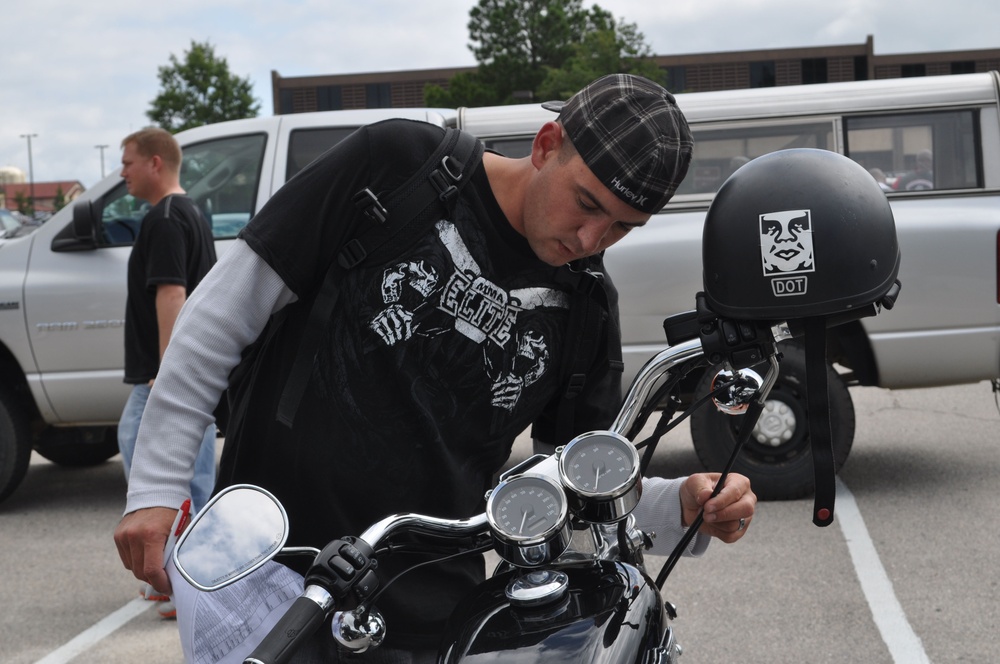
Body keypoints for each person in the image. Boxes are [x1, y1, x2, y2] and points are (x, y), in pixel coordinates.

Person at [114, 74, 757, 661]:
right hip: (268, 572)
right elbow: (220, 317)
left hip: (428, 616)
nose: (590, 240)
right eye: (586, 203)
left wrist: (681, 506)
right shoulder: (398, 167)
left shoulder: (586, 307)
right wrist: (155, 488)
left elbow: (571, 489)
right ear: (546, 142)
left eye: (622, 228)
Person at [116, 127, 219, 617]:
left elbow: (172, 292)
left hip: (171, 375)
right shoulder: (190, 214)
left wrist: (167, 371)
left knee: (159, 477)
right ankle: (191, 579)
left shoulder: (165, 219)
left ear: (155, 163)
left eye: (128, 162)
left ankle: (180, 582)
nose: (122, 173)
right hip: (190, 374)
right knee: (192, 479)